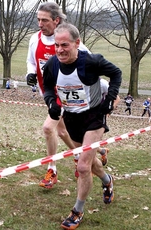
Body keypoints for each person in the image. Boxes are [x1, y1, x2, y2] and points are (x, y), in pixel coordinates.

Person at [42, 23, 121, 229]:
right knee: (90, 163)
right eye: (57, 45)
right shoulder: (52, 65)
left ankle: (77, 211)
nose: (60, 50)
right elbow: (48, 87)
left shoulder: (92, 61)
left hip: (94, 118)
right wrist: (51, 103)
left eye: (65, 45)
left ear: (77, 43)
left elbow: (116, 73)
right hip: (72, 118)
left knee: (83, 166)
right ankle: (107, 180)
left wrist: (110, 100)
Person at [25, 2, 108, 189]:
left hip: (70, 98)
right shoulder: (34, 39)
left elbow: (92, 68)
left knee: (48, 128)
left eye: (44, 20)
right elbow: (31, 62)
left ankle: (52, 169)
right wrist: (30, 74)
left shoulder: (73, 43)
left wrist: (106, 92)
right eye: (38, 20)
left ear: (56, 21)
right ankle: (91, 152)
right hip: (49, 95)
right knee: (62, 132)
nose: (40, 24)